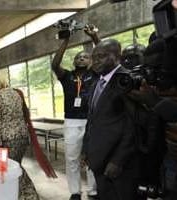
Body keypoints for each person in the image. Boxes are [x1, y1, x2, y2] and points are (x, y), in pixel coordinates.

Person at [82, 39, 139, 200]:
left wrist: (118, 160)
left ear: (117, 57)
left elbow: (133, 126)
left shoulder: (126, 81)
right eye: (94, 57)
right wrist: (87, 150)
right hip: (100, 160)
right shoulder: (97, 83)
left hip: (118, 164)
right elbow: (92, 120)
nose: (96, 61)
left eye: (102, 56)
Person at [51, 24, 99, 200]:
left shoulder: (94, 74)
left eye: (86, 56)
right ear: (74, 61)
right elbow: (55, 64)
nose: (82, 58)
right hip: (71, 122)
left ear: (91, 62)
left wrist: (94, 37)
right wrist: (66, 40)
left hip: (90, 121)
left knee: (92, 157)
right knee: (72, 159)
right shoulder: (67, 76)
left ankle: (93, 190)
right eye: (79, 56)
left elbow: (103, 56)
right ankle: (75, 192)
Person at [0, 70, 46, 200]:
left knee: (6, 169)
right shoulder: (15, 93)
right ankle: (23, 194)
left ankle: (26, 194)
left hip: (6, 141)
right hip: (22, 137)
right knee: (14, 166)